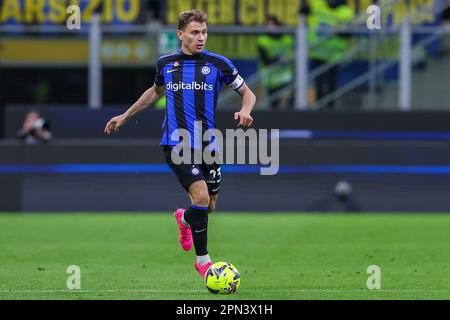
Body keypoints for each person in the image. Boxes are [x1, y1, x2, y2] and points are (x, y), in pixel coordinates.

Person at [104, 9, 256, 279]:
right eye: (195, 32)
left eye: (204, 32)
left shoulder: (218, 64)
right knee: (199, 197)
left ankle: (184, 219)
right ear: (181, 35)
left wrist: (246, 110)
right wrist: (126, 115)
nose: (201, 38)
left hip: (208, 144)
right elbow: (155, 92)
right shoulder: (166, 64)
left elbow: (248, 93)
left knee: (208, 206)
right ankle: (204, 263)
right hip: (176, 142)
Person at [301, 0, 353, 109]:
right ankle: (320, 107)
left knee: (331, 83)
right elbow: (302, 12)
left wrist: (337, 30)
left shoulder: (346, 12)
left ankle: (331, 108)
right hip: (317, 51)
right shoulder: (317, 4)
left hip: (334, 54)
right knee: (318, 81)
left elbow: (349, 33)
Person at [256, 16, 294, 109]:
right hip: (271, 78)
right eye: (267, 25)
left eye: (272, 24)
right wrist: (279, 59)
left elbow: (293, 55)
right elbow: (265, 60)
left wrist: (287, 58)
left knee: (290, 100)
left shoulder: (288, 39)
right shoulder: (262, 40)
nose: (270, 27)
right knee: (273, 104)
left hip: (285, 77)